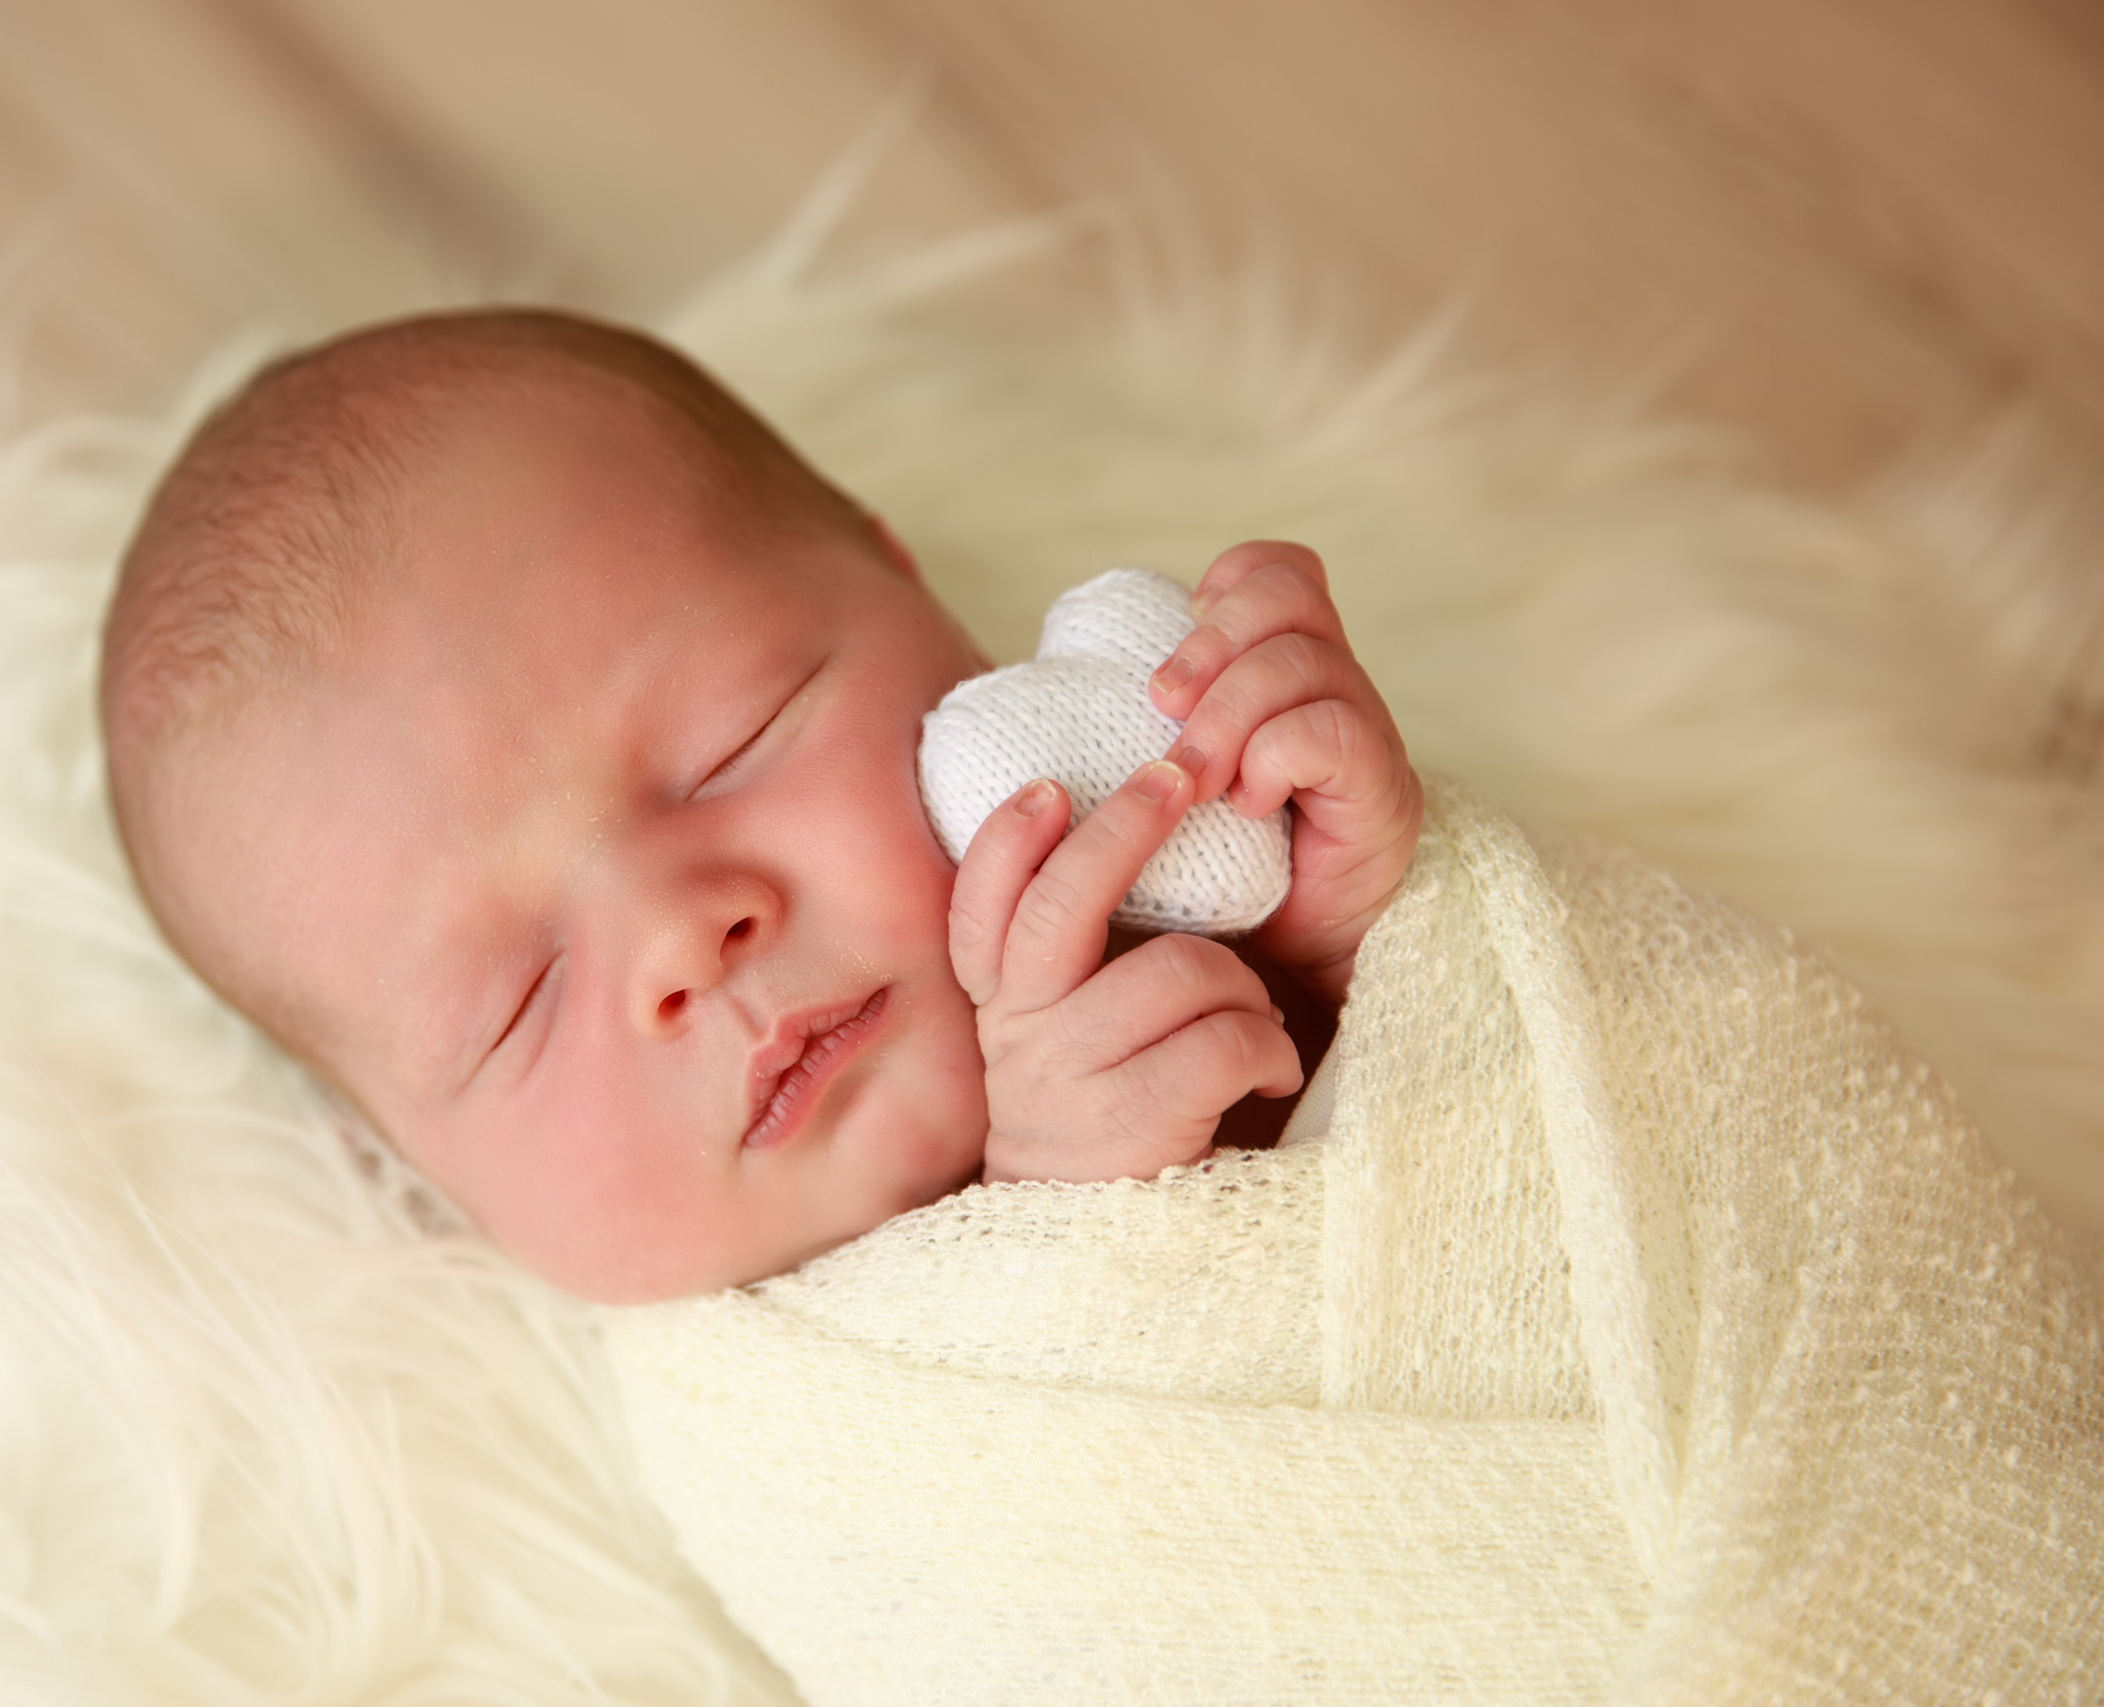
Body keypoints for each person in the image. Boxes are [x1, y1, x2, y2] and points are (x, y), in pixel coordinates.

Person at [99, 306, 1423, 1304]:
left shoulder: (1173, 840)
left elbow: (1513, 1150)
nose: (684, 938)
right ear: (413, 1176)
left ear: (906, 591)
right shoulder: (719, 1426)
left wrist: (1350, 942)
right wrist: (1063, 1240)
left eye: (737, 744)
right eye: (519, 999)